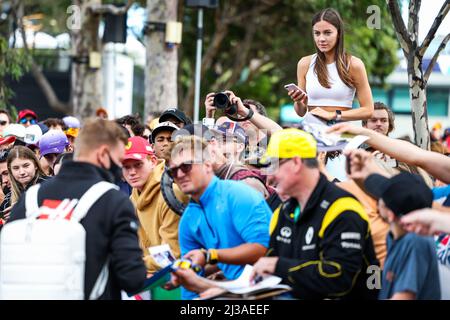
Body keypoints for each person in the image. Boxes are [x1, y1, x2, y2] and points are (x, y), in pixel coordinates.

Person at [8, 119, 147, 299]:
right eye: (120, 160)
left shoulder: (30, 198)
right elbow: (132, 278)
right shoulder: (114, 201)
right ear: (104, 154)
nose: (122, 169)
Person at [251, 128, 379, 300]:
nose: (268, 177)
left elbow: (339, 279)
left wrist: (278, 265)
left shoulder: (343, 209)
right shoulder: (283, 212)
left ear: (296, 163)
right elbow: (270, 267)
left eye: (273, 166)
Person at [168, 135, 272, 299]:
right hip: (231, 289)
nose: (180, 174)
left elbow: (260, 248)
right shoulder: (188, 218)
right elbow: (191, 276)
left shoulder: (238, 194)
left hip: (268, 288)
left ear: (208, 164)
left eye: (187, 166)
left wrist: (211, 255)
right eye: (173, 171)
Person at [363, 172, 441, 300]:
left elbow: (404, 296)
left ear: (391, 215)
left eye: (382, 198)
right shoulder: (395, 236)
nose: (377, 199)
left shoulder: (415, 241)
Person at [288, 8, 373, 123]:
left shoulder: (354, 64)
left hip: (340, 132)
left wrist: (333, 115)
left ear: (338, 33)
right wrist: (298, 101)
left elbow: (368, 110)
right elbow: (301, 112)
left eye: (327, 33)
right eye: (317, 33)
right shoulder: (305, 63)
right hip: (312, 131)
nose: (321, 39)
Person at [122, 136, 182, 274]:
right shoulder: (133, 197)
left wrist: (129, 267)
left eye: (138, 165)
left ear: (153, 161)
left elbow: (171, 255)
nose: (132, 172)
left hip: (177, 279)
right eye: (126, 167)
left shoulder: (172, 194)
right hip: (150, 275)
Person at [0, 146, 48, 222]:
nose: (22, 172)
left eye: (26, 166)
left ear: (35, 165)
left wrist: (22, 209)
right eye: (16, 168)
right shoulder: (9, 196)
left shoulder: (49, 184)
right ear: (10, 170)